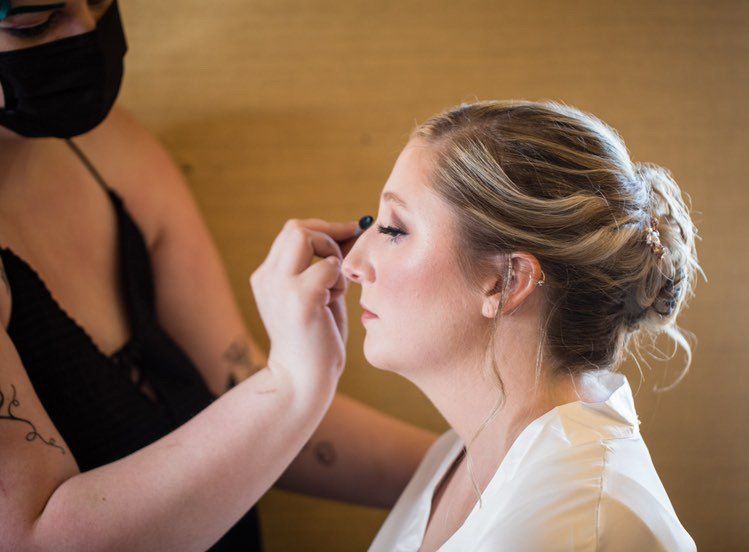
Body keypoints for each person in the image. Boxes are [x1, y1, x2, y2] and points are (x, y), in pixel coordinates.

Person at [0, 1, 435, 550]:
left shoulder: (112, 150)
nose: (87, 32)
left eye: (100, 0)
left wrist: (488, 464)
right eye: (33, 21)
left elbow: (236, 390)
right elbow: (32, 540)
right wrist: (291, 386)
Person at [342, 100, 700, 551]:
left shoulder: (581, 527)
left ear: (506, 281)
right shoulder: (456, 457)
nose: (352, 263)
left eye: (395, 230)